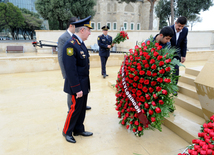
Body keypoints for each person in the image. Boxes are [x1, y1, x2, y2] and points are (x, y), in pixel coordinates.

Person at [62, 16, 93, 143]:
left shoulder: (80, 43)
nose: (90, 33)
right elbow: (70, 70)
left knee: (81, 109)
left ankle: (79, 129)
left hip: (84, 84)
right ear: (82, 30)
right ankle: (67, 131)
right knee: (74, 109)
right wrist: (77, 88)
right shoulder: (71, 45)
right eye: (88, 30)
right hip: (77, 86)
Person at [58, 17, 91, 111]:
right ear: (71, 26)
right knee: (72, 92)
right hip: (69, 72)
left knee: (79, 97)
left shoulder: (79, 39)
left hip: (79, 73)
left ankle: (80, 106)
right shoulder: (63, 38)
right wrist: (66, 74)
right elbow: (61, 57)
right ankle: (71, 108)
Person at [170, 17, 188, 86]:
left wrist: (183, 55)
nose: (180, 28)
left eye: (182, 26)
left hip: (177, 54)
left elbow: (184, 43)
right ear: (175, 23)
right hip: (167, 52)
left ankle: (174, 85)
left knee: (176, 68)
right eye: (179, 25)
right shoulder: (169, 29)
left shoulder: (185, 30)